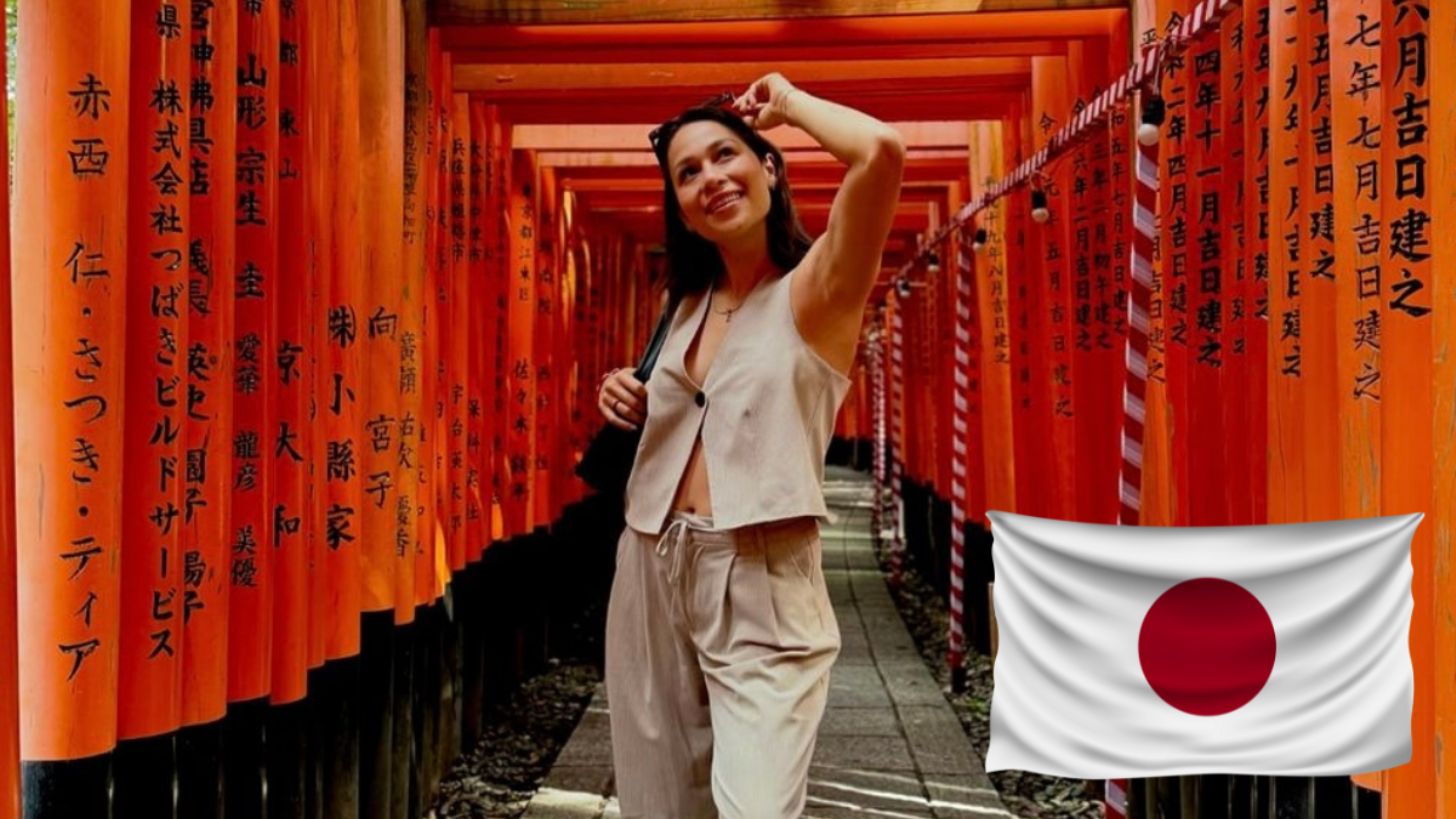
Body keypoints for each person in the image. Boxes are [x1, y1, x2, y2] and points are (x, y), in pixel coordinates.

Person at [595, 73, 905, 818]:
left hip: (761, 571)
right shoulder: (685, 302)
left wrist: (787, 104)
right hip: (650, 562)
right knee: (659, 805)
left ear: (768, 166)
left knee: (756, 806)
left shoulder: (820, 288)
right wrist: (624, 390)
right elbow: (699, 408)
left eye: (725, 155)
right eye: (688, 173)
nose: (711, 178)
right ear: (681, 209)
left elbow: (880, 151)